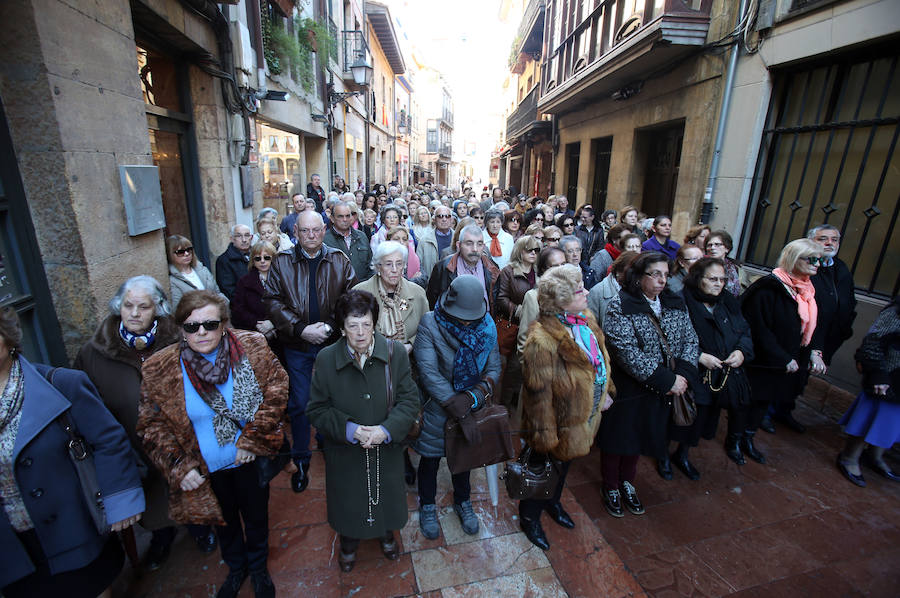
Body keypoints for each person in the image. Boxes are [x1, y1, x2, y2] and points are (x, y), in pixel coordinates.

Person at [138, 290, 288, 598]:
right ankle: (237, 568)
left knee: (256, 517)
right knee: (223, 521)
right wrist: (178, 466)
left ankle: (258, 568)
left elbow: (277, 388)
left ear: (224, 324)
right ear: (181, 328)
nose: (202, 332)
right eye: (192, 326)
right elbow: (151, 426)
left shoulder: (252, 347)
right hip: (204, 467)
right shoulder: (160, 368)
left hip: (248, 459)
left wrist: (252, 438)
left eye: (210, 324)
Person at [75, 276, 216, 572]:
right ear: (118, 307)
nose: (134, 313)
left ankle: (200, 531)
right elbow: (87, 404)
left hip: (183, 439)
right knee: (154, 502)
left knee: (191, 489)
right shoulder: (93, 353)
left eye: (143, 307)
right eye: (128, 306)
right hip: (134, 443)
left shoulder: (180, 340)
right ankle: (161, 538)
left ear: (158, 309)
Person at [1, 307, 145, 598]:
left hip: (74, 530)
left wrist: (119, 501)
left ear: (8, 337)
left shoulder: (62, 384)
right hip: (13, 550)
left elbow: (109, 440)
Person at [306, 291, 419, 572]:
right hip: (345, 451)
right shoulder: (326, 359)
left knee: (387, 494)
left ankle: (386, 533)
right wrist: (351, 430)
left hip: (386, 446)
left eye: (366, 324)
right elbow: (316, 410)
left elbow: (410, 401)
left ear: (375, 324)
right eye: (352, 325)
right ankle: (348, 541)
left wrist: (386, 430)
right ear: (342, 328)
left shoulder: (395, 354)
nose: (360, 333)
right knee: (349, 498)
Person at [263, 210, 358, 494]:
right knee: (301, 404)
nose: (312, 236)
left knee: (337, 399)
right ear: (296, 233)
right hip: (297, 344)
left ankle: (333, 446)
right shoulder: (282, 263)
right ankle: (302, 458)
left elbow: (349, 298)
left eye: (316, 230)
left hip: (331, 343)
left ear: (324, 229)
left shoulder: (339, 259)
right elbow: (271, 301)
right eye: (305, 231)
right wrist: (301, 329)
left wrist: (330, 327)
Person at [519, 264, 613, 549]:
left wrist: (606, 390)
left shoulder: (586, 319)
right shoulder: (542, 340)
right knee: (542, 469)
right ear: (560, 300)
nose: (586, 292)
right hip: (554, 424)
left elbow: (600, 361)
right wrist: (545, 437)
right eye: (578, 290)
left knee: (564, 467)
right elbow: (539, 396)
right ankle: (530, 516)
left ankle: (553, 502)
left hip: (584, 414)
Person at [600, 252, 700, 516]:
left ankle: (627, 482)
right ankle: (610, 484)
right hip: (631, 387)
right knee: (619, 439)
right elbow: (625, 351)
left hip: (665, 386)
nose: (662, 280)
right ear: (638, 276)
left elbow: (690, 339)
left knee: (640, 438)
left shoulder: (675, 302)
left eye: (666, 274)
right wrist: (666, 380)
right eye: (655, 274)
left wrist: (684, 376)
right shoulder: (620, 305)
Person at [413, 276, 501, 540]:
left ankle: (463, 501)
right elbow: (428, 373)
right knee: (429, 461)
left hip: (470, 403)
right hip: (436, 407)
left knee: (464, 460)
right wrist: (458, 407)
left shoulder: (487, 326)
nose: (465, 322)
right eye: (460, 316)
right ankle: (427, 505)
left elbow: (494, 368)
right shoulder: (430, 322)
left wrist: (472, 400)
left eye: (469, 317)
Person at [741, 239, 826, 462]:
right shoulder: (768, 288)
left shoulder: (805, 288)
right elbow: (759, 328)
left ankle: (748, 437)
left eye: (821, 259)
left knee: (763, 402)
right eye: (813, 259)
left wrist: (813, 352)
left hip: (786, 360)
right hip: (763, 359)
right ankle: (736, 440)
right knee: (750, 401)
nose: (818, 264)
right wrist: (782, 357)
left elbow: (809, 325)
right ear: (794, 259)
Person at [679, 258, 754, 471]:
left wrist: (741, 351)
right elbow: (672, 339)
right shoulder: (682, 301)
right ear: (697, 279)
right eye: (712, 279)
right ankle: (679, 454)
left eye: (722, 279)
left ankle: (734, 443)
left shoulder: (728, 301)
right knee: (692, 416)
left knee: (736, 405)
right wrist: (699, 356)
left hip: (726, 370)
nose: (719, 284)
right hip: (695, 371)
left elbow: (744, 331)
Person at [836, 296, 900, 487]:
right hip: (886, 380)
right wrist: (878, 375)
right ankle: (849, 458)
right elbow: (872, 343)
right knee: (869, 419)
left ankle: (875, 456)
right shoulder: (894, 313)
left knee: (892, 424)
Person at [808, 224, 857, 366]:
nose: (830, 243)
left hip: (828, 343)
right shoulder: (804, 265)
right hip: (802, 343)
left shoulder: (841, 268)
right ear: (811, 242)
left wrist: (845, 329)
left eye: (834, 240)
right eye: (823, 239)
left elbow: (849, 303)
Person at [426, 224, 501, 313]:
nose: (475, 249)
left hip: (484, 322)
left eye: (479, 244)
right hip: (450, 323)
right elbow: (432, 301)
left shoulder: (492, 269)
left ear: (484, 246)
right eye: (469, 243)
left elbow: (495, 302)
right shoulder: (443, 268)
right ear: (459, 245)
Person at [517, 247, 567, 356]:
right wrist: (531, 370)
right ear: (544, 269)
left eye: (563, 264)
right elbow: (524, 340)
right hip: (544, 364)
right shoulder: (533, 296)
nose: (561, 270)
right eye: (555, 266)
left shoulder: (573, 292)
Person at [231, 241, 279, 345]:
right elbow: (238, 308)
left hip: (281, 336)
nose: (262, 261)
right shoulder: (244, 282)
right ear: (253, 260)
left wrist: (273, 323)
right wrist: (257, 324)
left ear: (273, 258)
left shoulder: (283, 279)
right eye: (258, 258)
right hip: (254, 337)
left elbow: (290, 305)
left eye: (266, 258)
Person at [167, 234, 223, 309]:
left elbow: (217, 292)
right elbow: (178, 309)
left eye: (189, 250)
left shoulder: (202, 269)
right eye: (180, 252)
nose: (186, 254)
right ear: (170, 254)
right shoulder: (172, 281)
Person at [323, 200, 374, 282]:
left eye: (347, 216)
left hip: (361, 289)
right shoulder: (324, 240)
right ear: (332, 219)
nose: (345, 219)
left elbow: (370, 265)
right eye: (340, 216)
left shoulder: (361, 236)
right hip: (336, 291)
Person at [588, 251, 639, 328]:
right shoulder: (597, 292)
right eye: (631, 272)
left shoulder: (640, 289)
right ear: (619, 271)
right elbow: (592, 326)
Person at [216, 225, 254, 300]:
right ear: (232, 239)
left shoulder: (258, 255)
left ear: (251, 237)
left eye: (247, 235)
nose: (244, 240)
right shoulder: (224, 260)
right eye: (239, 236)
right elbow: (228, 290)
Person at [705, 231, 742, 297]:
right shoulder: (701, 267)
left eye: (717, 244)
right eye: (709, 245)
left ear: (727, 248)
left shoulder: (736, 269)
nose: (712, 248)